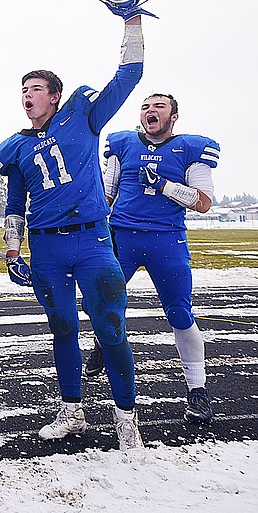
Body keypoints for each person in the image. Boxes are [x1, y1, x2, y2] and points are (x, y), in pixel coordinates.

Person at [0, 14, 146, 450]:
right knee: (61, 328)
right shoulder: (17, 146)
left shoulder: (82, 113)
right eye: (23, 90)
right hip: (45, 247)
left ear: (55, 97)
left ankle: (125, 417)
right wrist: (10, 249)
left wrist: (132, 20)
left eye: (36, 89)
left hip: (91, 239)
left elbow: (129, 75)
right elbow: (14, 204)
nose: (27, 96)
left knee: (111, 328)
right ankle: (71, 410)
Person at [98, 93, 219, 423]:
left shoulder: (191, 148)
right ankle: (103, 343)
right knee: (101, 302)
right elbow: (107, 192)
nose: (150, 111)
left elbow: (203, 201)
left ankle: (198, 390)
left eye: (159, 106)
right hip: (122, 235)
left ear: (174, 116)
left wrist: (165, 186)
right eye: (146, 106)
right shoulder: (122, 143)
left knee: (179, 312)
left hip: (167, 240)